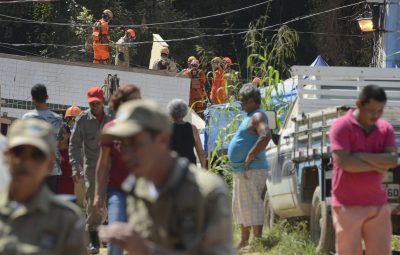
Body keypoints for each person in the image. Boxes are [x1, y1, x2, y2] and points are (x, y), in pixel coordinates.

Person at [98, 99, 234, 255]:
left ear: (162, 140)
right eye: (122, 145)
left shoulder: (207, 191)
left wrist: (147, 250)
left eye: (135, 143)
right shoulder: (135, 189)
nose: (125, 155)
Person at [0, 118, 87, 254]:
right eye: (18, 152)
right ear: (6, 156)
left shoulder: (66, 221)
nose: (26, 162)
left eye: (37, 155)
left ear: (50, 164)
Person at [329, 85, 397, 255]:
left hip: (378, 206)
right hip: (347, 206)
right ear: (358, 104)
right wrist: (378, 162)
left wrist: (359, 156)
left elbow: (392, 160)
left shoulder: (385, 129)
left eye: (380, 111)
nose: (376, 115)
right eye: (371, 110)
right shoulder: (341, 126)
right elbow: (344, 162)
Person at [94, 84, 141, 255]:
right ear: (122, 104)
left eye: (139, 100)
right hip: (117, 191)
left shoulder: (145, 128)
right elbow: (103, 163)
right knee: (116, 236)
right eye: (133, 100)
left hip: (142, 193)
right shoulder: (110, 129)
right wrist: (98, 194)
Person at [69, 86, 114, 254]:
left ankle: (109, 238)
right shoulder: (82, 120)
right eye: (91, 103)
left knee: (111, 201)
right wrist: (75, 166)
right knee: (92, 204)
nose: (93, 106)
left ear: (102, 101)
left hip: (112, 166)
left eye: (96, 103)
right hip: (92, 168)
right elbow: (74, 144)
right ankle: (93, 240)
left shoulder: (113, 116)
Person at [227, 84, 271, 249]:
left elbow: (266, 135)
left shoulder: (258, 116)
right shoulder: (250, 115)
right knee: (241, 206)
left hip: (253, 169)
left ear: (252, 101)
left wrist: (250, 155)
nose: (240, 104)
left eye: (243, 101)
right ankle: (244, 241)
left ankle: (257, 241)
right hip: (244, 170)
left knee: (253, 204)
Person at [22, 83, 63, 194]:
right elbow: (59, 142)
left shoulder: (26, 118)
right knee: (50, 207)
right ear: (47, 97)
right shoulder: (58, 119)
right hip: (52, 168)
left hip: (33, 168)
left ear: (32, 99)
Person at [167, 98, 206, 168]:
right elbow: (201, 153)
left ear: (170, 112)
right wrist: (203, 168)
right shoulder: (193, 129)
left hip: (172, 169)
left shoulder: (166, 129)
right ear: (185, 112)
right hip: (190, 168)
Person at [57, 123, 74, 194]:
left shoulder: (73, 151)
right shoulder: (51, 151)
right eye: (58, 133)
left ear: (69, 135)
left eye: (63, 133)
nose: (61, 135)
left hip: (69, 190)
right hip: (53, 189)